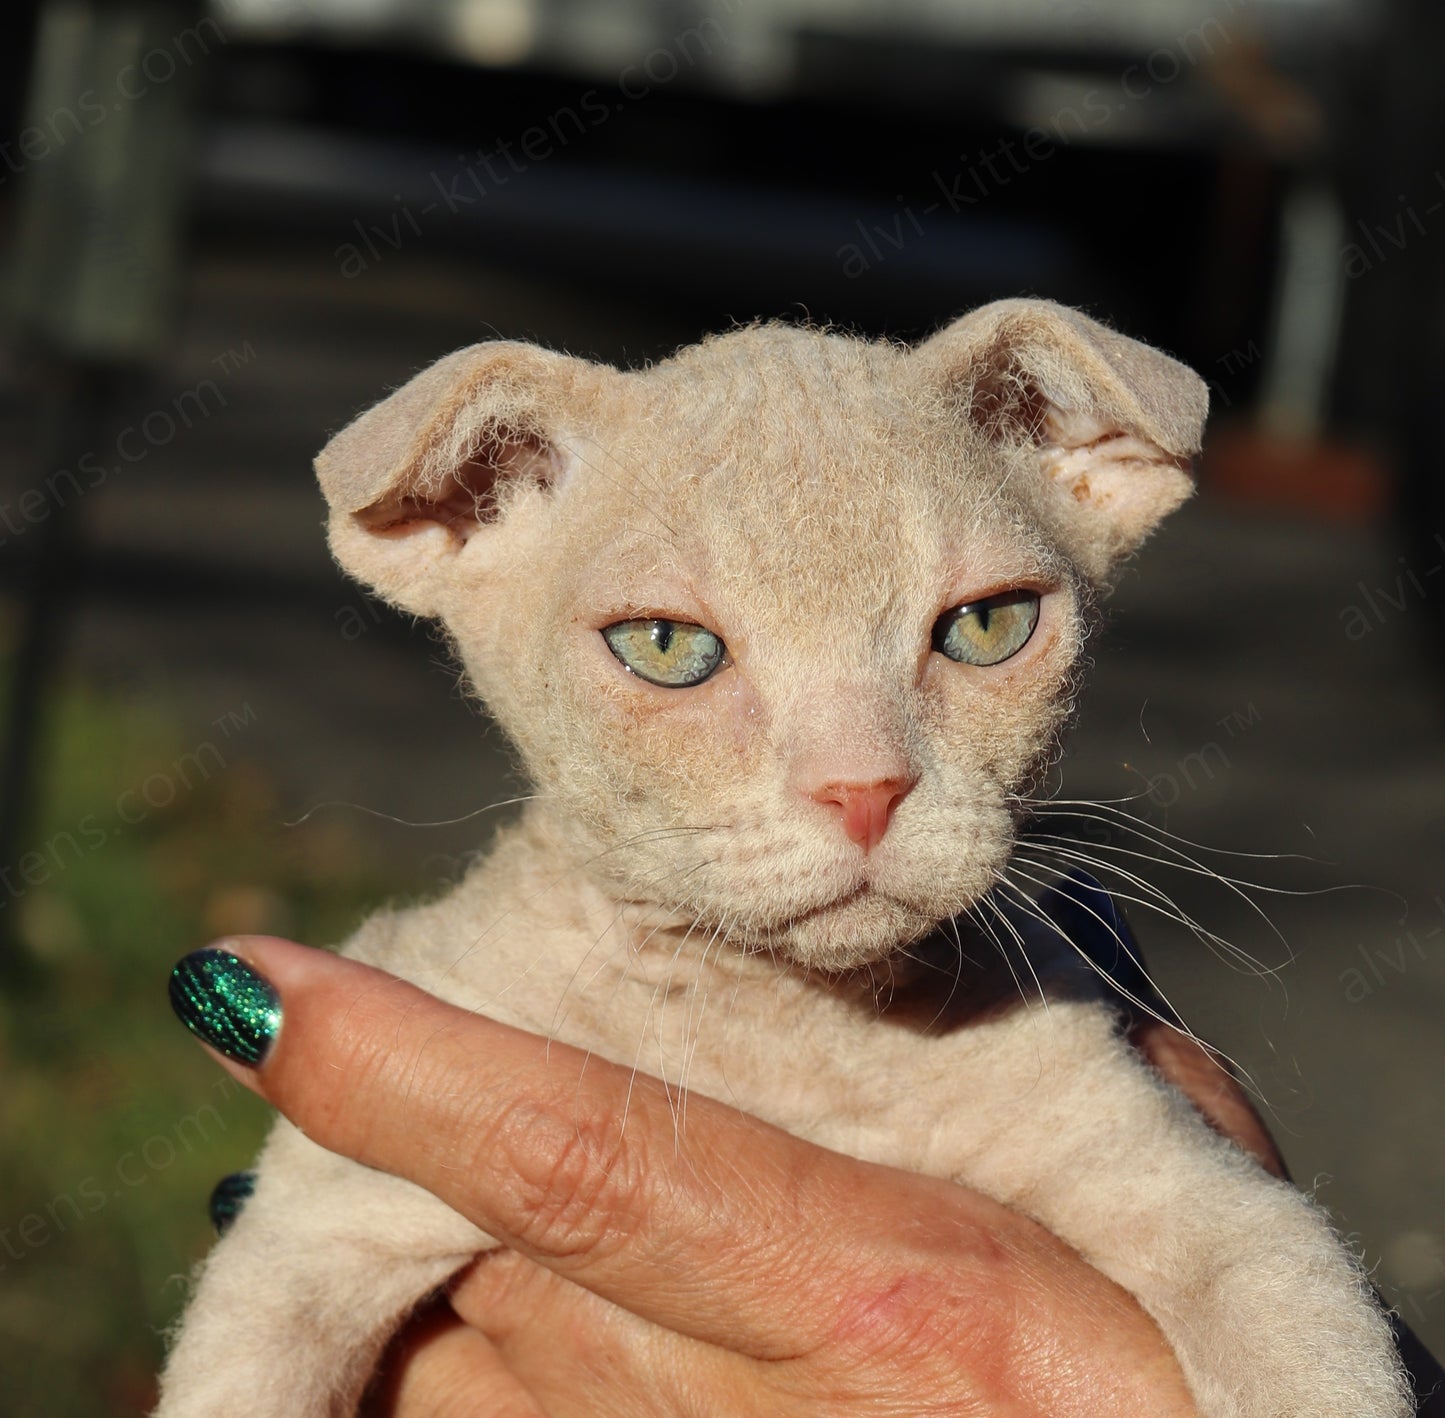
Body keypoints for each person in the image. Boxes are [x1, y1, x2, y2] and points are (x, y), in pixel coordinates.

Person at [169, 913, 1443, 1415]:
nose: (861, 777)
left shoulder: (1021, 1011)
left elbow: (1235, 1262)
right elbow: (280, 1301)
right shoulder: (480, 976)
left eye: (980, 627)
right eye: (670, 647)